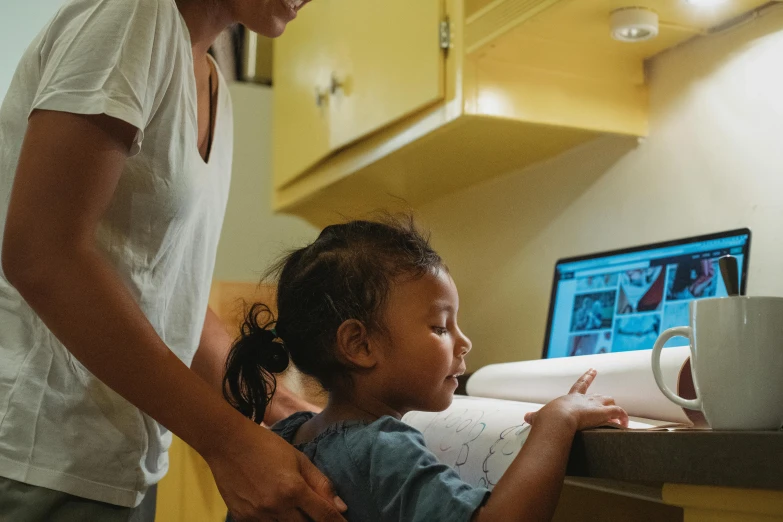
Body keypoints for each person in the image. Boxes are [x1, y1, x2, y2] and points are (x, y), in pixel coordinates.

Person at [0, 0, 348, 521]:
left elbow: (163, 295)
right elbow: (42, 255)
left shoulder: (211, 83)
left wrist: (275, 407)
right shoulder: (131, 15)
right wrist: (229, 442)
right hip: (36, 455)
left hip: (120, 470)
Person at [223, 218, 629, 522]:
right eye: (440, 327)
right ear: (360, 345)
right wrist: (556, 421)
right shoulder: (381, 448)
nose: (464, 342)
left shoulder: (287, 437)